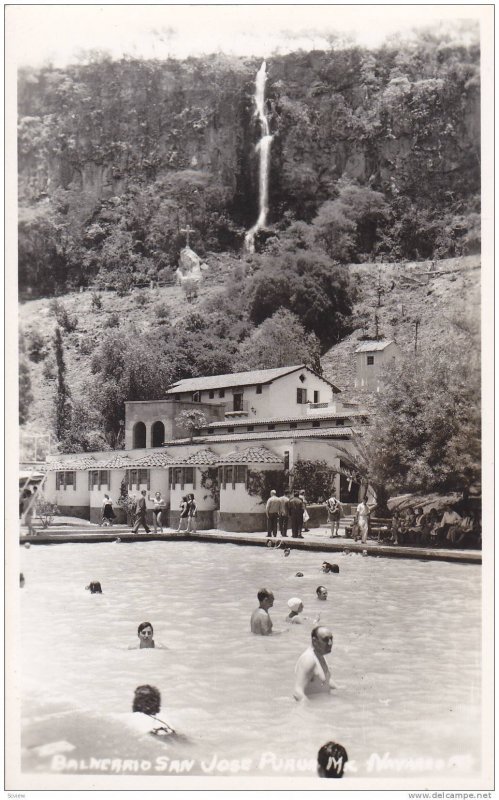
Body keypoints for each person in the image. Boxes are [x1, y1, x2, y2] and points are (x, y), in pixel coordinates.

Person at [293, 626, 337, 701]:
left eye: (331, 639)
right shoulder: (309, 659)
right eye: (325, 639)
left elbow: (324, 682)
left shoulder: (320, 656)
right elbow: (297, 692)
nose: (330, 643)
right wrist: (310, 711)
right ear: (314, 641)